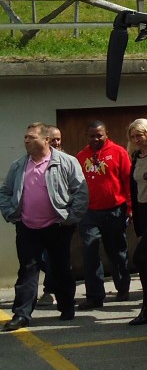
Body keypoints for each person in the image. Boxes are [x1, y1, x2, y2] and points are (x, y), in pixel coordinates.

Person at [1, 122, 88, 331]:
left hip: (57, 226)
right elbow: (5, 192)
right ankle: (21, 314)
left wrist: (70, 218)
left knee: (61, 268)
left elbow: (80, 191)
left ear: (46, 140)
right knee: (27, 270)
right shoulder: (19, 165)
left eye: (31, 137)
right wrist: (11, 213)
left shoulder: (66, 162)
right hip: (27, 227)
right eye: (25, 137)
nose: (26, 140)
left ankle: (67, 307)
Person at [76, 120, 132, 309]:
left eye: (99, 135)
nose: (95, 139)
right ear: (87, 136)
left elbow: (128, 181)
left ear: (106, 134)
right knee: (90, 251)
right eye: (91, 136)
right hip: (89, 212)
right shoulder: (81, 157)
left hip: (114, 210)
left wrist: (130, 208)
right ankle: (94, 296)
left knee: (116, 252)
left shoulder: (119, 152)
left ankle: (122, 288)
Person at [126, 118, 147, 326]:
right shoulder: (136, 157)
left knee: (140, 257)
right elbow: (135, 188)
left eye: (139, 135)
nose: (136, 139)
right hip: (143, 212)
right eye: (133, 136)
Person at [34, 125, 65, 308]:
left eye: (59, 139)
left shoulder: (67, 161)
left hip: (60, 220)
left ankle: (53, 292)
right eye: (53, 139)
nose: (56, 142)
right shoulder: (35, 161)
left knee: (55, 257)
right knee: (42, 258)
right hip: (37, 220)